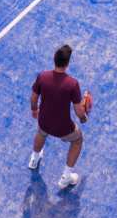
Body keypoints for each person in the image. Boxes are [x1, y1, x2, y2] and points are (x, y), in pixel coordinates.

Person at [27, 44, 93, 189]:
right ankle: (66, 177)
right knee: (78, 140)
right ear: (67, 63)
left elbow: (33, 98)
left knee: (41, 132)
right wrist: (83, 118)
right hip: (63, 128)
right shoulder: (72, 84)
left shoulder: (42, 76)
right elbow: (78, 111)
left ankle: (34, 159)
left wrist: (34, 110)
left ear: (54, 59)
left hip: (44, 121)